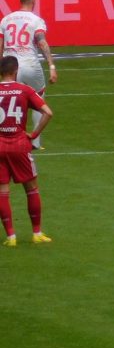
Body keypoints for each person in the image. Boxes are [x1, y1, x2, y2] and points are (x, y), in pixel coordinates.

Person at [0, 55, 54, 247]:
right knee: (32, 189)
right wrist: (34, 134)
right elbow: (48, 113)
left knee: (2, 192)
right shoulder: (25, 90)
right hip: (19, 144)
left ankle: (11, 237)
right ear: (15, 71)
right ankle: (36, 233)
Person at [1, 0, 57, 150]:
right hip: (31, 65)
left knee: (10, 99)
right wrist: (52, 66)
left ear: (20, 0)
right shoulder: (35, 20)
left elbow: (0, 45)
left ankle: (10, 137)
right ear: (33, 0)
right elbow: (42, 43)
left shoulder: (6, 19)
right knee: (38, 99)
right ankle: (34, 141)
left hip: (11, 65)